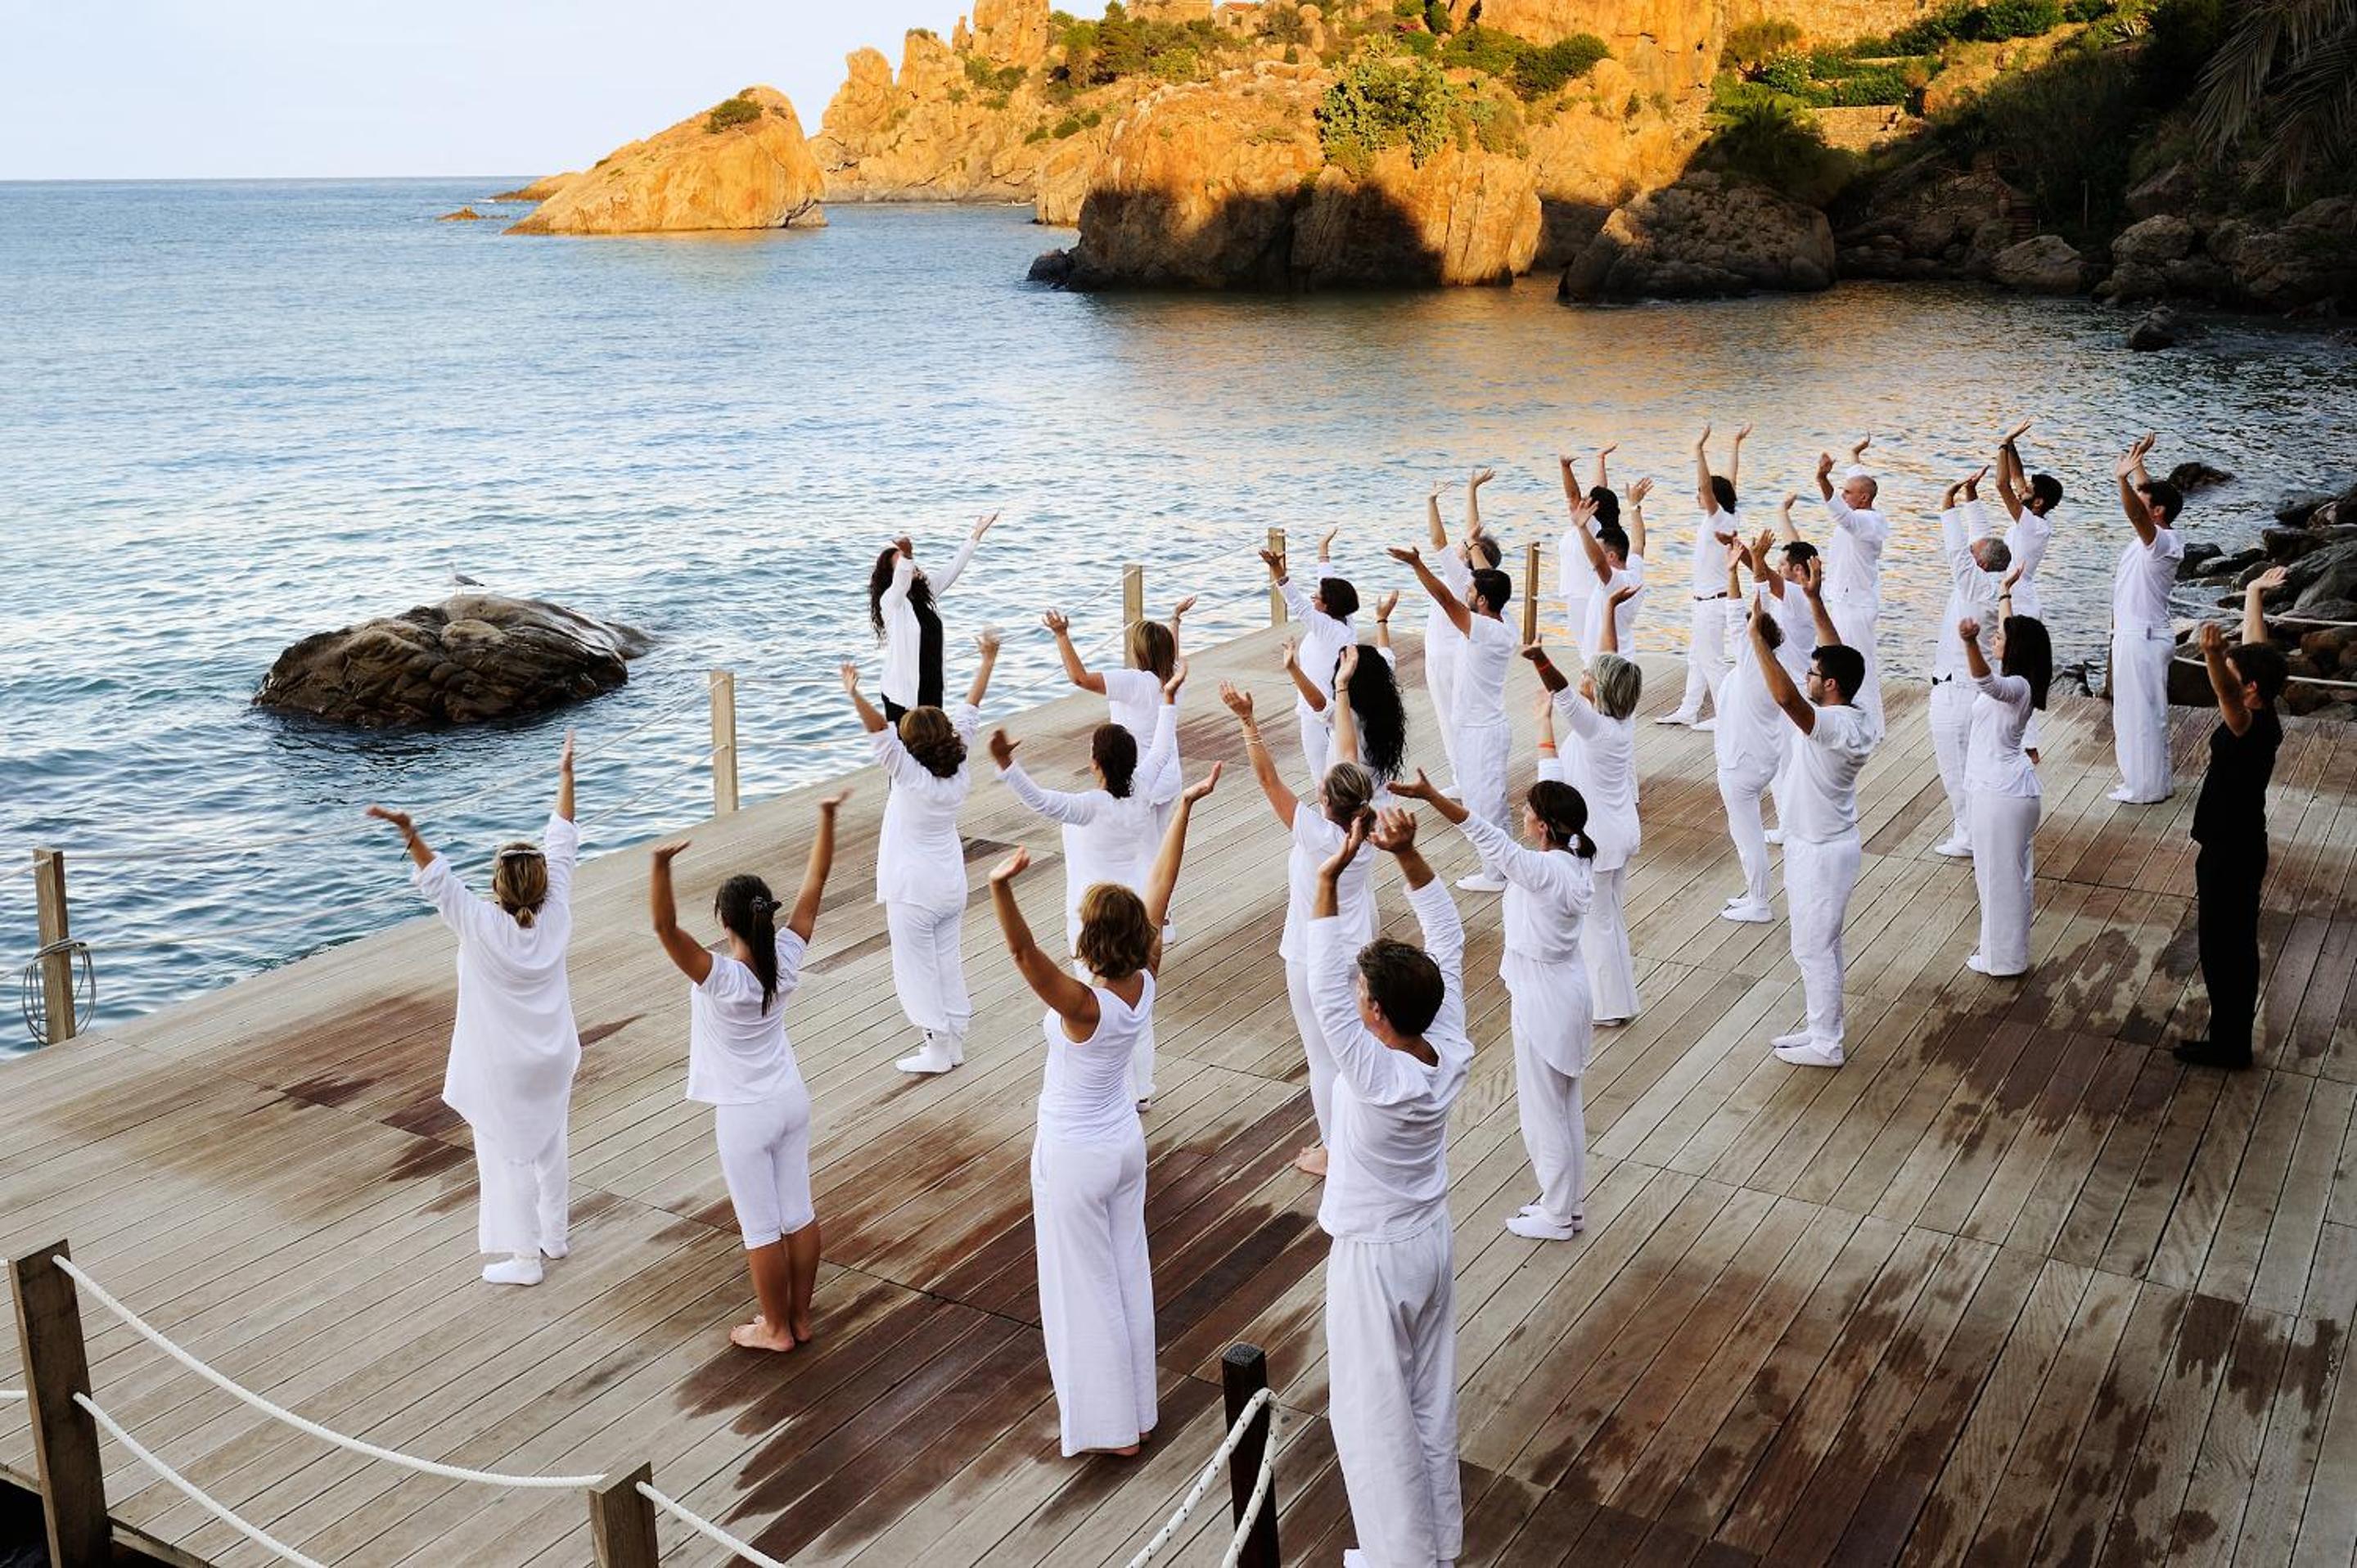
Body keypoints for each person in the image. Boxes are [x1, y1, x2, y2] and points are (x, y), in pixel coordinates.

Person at [989, 763, 1220, 1456]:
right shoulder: (1144, 978)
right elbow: (1163, 883)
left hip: (1076, 1157)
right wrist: (1184, 807)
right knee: (1126, 1277)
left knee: (1082, 1292)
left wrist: (1000, 888)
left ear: (1091, 939)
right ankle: (1138, 1413)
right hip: (1122, 1147)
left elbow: (1022, 952)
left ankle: (1112, 1431)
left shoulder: (1083, 1006)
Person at [1306, 807, 1471, 1568]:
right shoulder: (1447, 1047)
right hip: (1429, 1239)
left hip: (1375, 1257)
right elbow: (1450, 940)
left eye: (1363, 991)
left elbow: (1322, 991)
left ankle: (1399, 1558)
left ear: (1376, 1010)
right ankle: (1434, 1546)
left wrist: (1328, 878)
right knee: (1429, 1402)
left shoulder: (1375, 1073)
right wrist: (1407, 856)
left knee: (1373, 1417)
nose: (1354, 995)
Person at [367, 734, 581, 1287]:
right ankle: (555, 1237)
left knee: (508, 1155)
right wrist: (565, 773)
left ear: (496, 885)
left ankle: (525, 1260)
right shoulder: (556, 913)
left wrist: (409, 831)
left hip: (504, 1067)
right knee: (550, 1140)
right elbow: (563, 839)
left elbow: (437, 880)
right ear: (542, 883)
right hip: (555, 1055)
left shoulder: (480, 924)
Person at [645, 791, 845, 1351]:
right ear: (767, 915)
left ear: (723, 921)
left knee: (760, 1227)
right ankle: (799, 1318)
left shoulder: (722, 979)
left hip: (744, 1114)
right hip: (790, 1099)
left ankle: (774, 1329)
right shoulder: (787, 958)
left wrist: (660, 866)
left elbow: (664, 927)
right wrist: (827, 817)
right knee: (797, 1213)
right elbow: (816, 882)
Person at [1394, 768, 1596, 1241]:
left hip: (1545, 999)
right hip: (1565, 990)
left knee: (1544, 1115)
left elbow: (1485, 835)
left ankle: (1558, 1215)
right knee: (1564, 1107)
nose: (1521, 814)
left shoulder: (1545, 871)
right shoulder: (1573, 863)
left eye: (1527, 810)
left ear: (1542, 825)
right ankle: (1567, 1205)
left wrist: (1431, 796)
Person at [990, 662, 1184, 1106]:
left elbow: (1039, 800)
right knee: (1136, 1002)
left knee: (1099, 1003)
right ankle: (1141, 1089)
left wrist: (1006, 764)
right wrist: (1168, 700)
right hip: (1136, 908)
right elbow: (1161, 748)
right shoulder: (1141, 788)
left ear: (1096, 763)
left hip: (1092, 914)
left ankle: (1118, 1089)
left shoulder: (1087, 806)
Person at [1224, 682, 1380, 1178]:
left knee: (1323, 1058)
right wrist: (1343, 689)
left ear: (1325, 798)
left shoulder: (1317, 835)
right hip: (1359, 954)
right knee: (1354, 1050)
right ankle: (1359, 1138)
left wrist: (1248, 721)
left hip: (1315, 957)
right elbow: (1348, 753)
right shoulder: (1366, 832)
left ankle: (1335, 1153)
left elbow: (1268, 780)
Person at [841, 631, 1000, 1075]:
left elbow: (879, 731)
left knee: (916, 969)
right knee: (946, 961)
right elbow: (971, 707)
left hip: (913, 889)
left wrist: (854, 693)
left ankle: (936, 1048)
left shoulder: (909, 775)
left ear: (911, 747)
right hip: (950, 883)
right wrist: (988, 661)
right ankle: (954, 1040)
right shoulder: (959, 765)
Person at [1749, 568, 1878, 1068]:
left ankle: (1827, 1043)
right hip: (1822, 843)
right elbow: (1834, 649)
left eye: (1813, 673)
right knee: (1823, 945)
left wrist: (1758, 640)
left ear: (1831, 685)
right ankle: (1822, 1027)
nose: (1806, 677)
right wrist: (1815, 599)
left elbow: (1785, 698)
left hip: (1821, 851)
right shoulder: (1853, 712)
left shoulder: (1833, 727)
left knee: (1813, 948)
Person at [2177, 568, 2292, 1070]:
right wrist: (2253, 594)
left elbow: (2226, 691)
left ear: (2251, 689)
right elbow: (2255, 651)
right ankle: (2230, 1038)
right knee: (2233, 945)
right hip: (2238, 845)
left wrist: (2210, 655)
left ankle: (2229, 1046)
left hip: (2230, 852)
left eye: (2233, 672)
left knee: (2224, 950)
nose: (2227, 670)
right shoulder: (2266, 711)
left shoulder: (2247, 724)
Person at [1521, 593, 1643, 1025]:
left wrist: (1539, 659)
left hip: (1601, 838)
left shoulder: (1596, 728)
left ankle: (1608, 1009)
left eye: (1589, 675)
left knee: (1598, 926)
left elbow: (1562, 693)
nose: (1584, 675)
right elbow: (1608, 658)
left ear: (1600, 688)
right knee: (1610, 919)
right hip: (1620, 829)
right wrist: (1607, 608)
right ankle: (1621, 1001)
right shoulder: (1619, 720)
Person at [1390, 539, 1519, 894]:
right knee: (1487, 803)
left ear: (1482, 600)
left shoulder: (1486, 631)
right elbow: (1477, 583)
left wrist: (1417, 565)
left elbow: (1445, 600)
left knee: (1485, 805)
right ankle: (1504, 866)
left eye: (1472, 590)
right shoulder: (1502, 620)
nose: (1466, 592)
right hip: (1476, 728)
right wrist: (1475, 545)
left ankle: (1497, 875)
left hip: (1483, 732)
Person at [1043, 596, 1192, 839]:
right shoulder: (1175, 678)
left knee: (1138, 846)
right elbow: (1171, 653)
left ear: (1140, 652)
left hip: (1139, 779)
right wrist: (1175, 618)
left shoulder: (1133, 682)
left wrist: (1061, 635)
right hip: (1168, 776)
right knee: (1157, 843)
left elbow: (1080, 678)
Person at [1958, 606, 2050, 976]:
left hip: (2002, 793)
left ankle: (2004, 960)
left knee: (1999, 879)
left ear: (2016, 647)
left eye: (2000, 637)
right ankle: (2005, 955)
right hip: (2000, 790)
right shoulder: (2017, 684)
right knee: (2004, 878)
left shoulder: (2018, 687)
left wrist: (1969, 643)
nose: (1994, 638)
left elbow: (1987, 683)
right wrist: (2004, 593)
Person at [1930, 468, 2013, 859]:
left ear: (1978, 563)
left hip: (1957, 693)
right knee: (1974, 764)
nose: (1969, 553)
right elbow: (1981, 542)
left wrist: (1948, 504)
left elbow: (1956, 551)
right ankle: (1979, 830)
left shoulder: (1976, 586)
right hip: (1973, 690)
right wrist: (1972, 496)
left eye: (1973, 553)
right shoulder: (1997, 582)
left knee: (1957, 768)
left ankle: (1968, 836)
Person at [2109, 434, 2188, 804]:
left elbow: (2137, 511)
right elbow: (2146, 498)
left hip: (2142, 638)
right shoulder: (2162, 537)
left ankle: (2146, 789)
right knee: (2138, 715)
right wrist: (2138, 463)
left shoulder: (2161, 543)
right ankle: (2148, 784)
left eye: (2146, 502)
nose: (2138, 501)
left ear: (2158, 513)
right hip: (2140, 636)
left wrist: (2121, 479)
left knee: (2140, 718)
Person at [1714, 539, 1787, 921]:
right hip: (1762, 758)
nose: (1741, 632)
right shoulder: (1773, 660)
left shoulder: (1751, 663)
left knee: (1747, 836)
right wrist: (1756, 564)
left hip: (1742, 764)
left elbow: (1736, 613)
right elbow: (1762, 606)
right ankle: (1754, 894)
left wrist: (1731, 571)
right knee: (1748, 833)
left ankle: (1759, 902)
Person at [1421, 471, 1504, 796]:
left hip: (1444, 658)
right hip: (1457, 655)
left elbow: (1437, 540)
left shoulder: (1460, 577)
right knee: (1461, 716)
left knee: (1450, 719)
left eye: (1465, 546)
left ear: (1468, 557)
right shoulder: (1484, 581)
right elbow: (1474, 532)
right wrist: (1472, 490)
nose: (1461, 544)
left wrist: (1431, 502)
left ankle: (1463, 780)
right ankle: (1468, 776)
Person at [869, 512, 998, 720]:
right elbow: (901, 583)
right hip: (903, 693)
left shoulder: (925, 592)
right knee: (908, 741)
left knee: (935, 738)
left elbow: (954, 567)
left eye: (910, 562)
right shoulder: (891, 602)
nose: (911, 566)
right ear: (893, 574)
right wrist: (907, 555)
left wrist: (977, 533)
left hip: (932, 684)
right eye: (901, 563)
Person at [1662, 422, 1748, 728]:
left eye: (1701, 492)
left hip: (1711, 602)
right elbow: (1731, 481)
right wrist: (1735, 444)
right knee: (1697, 658)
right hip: (1708, 601)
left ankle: (1728, 716)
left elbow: (1711, 487)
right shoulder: (1730, 515)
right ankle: (1689, 709)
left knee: (1711, 661)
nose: (1697, 496)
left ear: (1713, 497)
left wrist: (1698, 449)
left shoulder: (1718, 518)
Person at [1261, 534, 1362, 785]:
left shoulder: (1326, 628)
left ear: (1327, 605)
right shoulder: (1344, 621)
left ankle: (1330, 808)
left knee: (1321, 777)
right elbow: (1326, 582)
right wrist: (1322, 550)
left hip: (1319, 711)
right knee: (1338, 769)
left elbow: (1297, 603)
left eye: (1317, 597)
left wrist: (1276, 569)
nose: (1313, 597)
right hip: (1336, 706)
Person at [1811, 436, 1890, 728]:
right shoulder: (1861, 509)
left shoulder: (1866, 523)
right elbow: (1857, 481)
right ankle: (1852, 718)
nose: (1843, 495)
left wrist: (1822, 479)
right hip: (1844, 602)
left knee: (1858, 667)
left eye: (1847, 493)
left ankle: (1872, 727)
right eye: (1842, 491)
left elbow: (1841, 515)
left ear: (1863, 498)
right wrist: (1854, 455)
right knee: (1838, 662)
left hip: (1855, 608)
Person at [1285, 637, 1409, 795]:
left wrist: (1292, 668)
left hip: (1349, 802)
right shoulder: (1385, 705)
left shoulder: (1348, 717)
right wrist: (1382, 623)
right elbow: (1387, 656)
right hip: (1380, 799)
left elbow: (1318, 704)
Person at [1561, 457, 1650, 660]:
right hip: (1625, 658)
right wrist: (1634, 507)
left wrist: (1582, 529)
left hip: (1606, 665)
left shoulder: (1613, 582)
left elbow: (1598, 562)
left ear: (1611, 556)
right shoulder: (1634, 571)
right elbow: (1638, 543)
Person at [1992, 419, 2062, 624]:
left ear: (2038, 502)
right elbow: (2017, 476)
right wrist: (2011, 443)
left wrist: (2002, 444)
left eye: (2027, 490)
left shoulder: (2033, 525)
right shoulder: (2035, 518)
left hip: (2019, 602)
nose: (2021, 490)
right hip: (2014, 594)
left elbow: (2002, 485)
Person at [1560, 444, 1619, 665]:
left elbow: (1572, 495)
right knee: (1592, 651)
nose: (1581, 500)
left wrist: (1565, 468)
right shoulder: (1593, 526)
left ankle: (1593, 685)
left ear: (1593, 507)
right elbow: (1600, 489)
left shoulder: (1590, 525)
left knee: (1590, 654)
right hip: (1583, 595)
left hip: (1582, 597)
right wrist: (1600, 459)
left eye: (1586, 500)